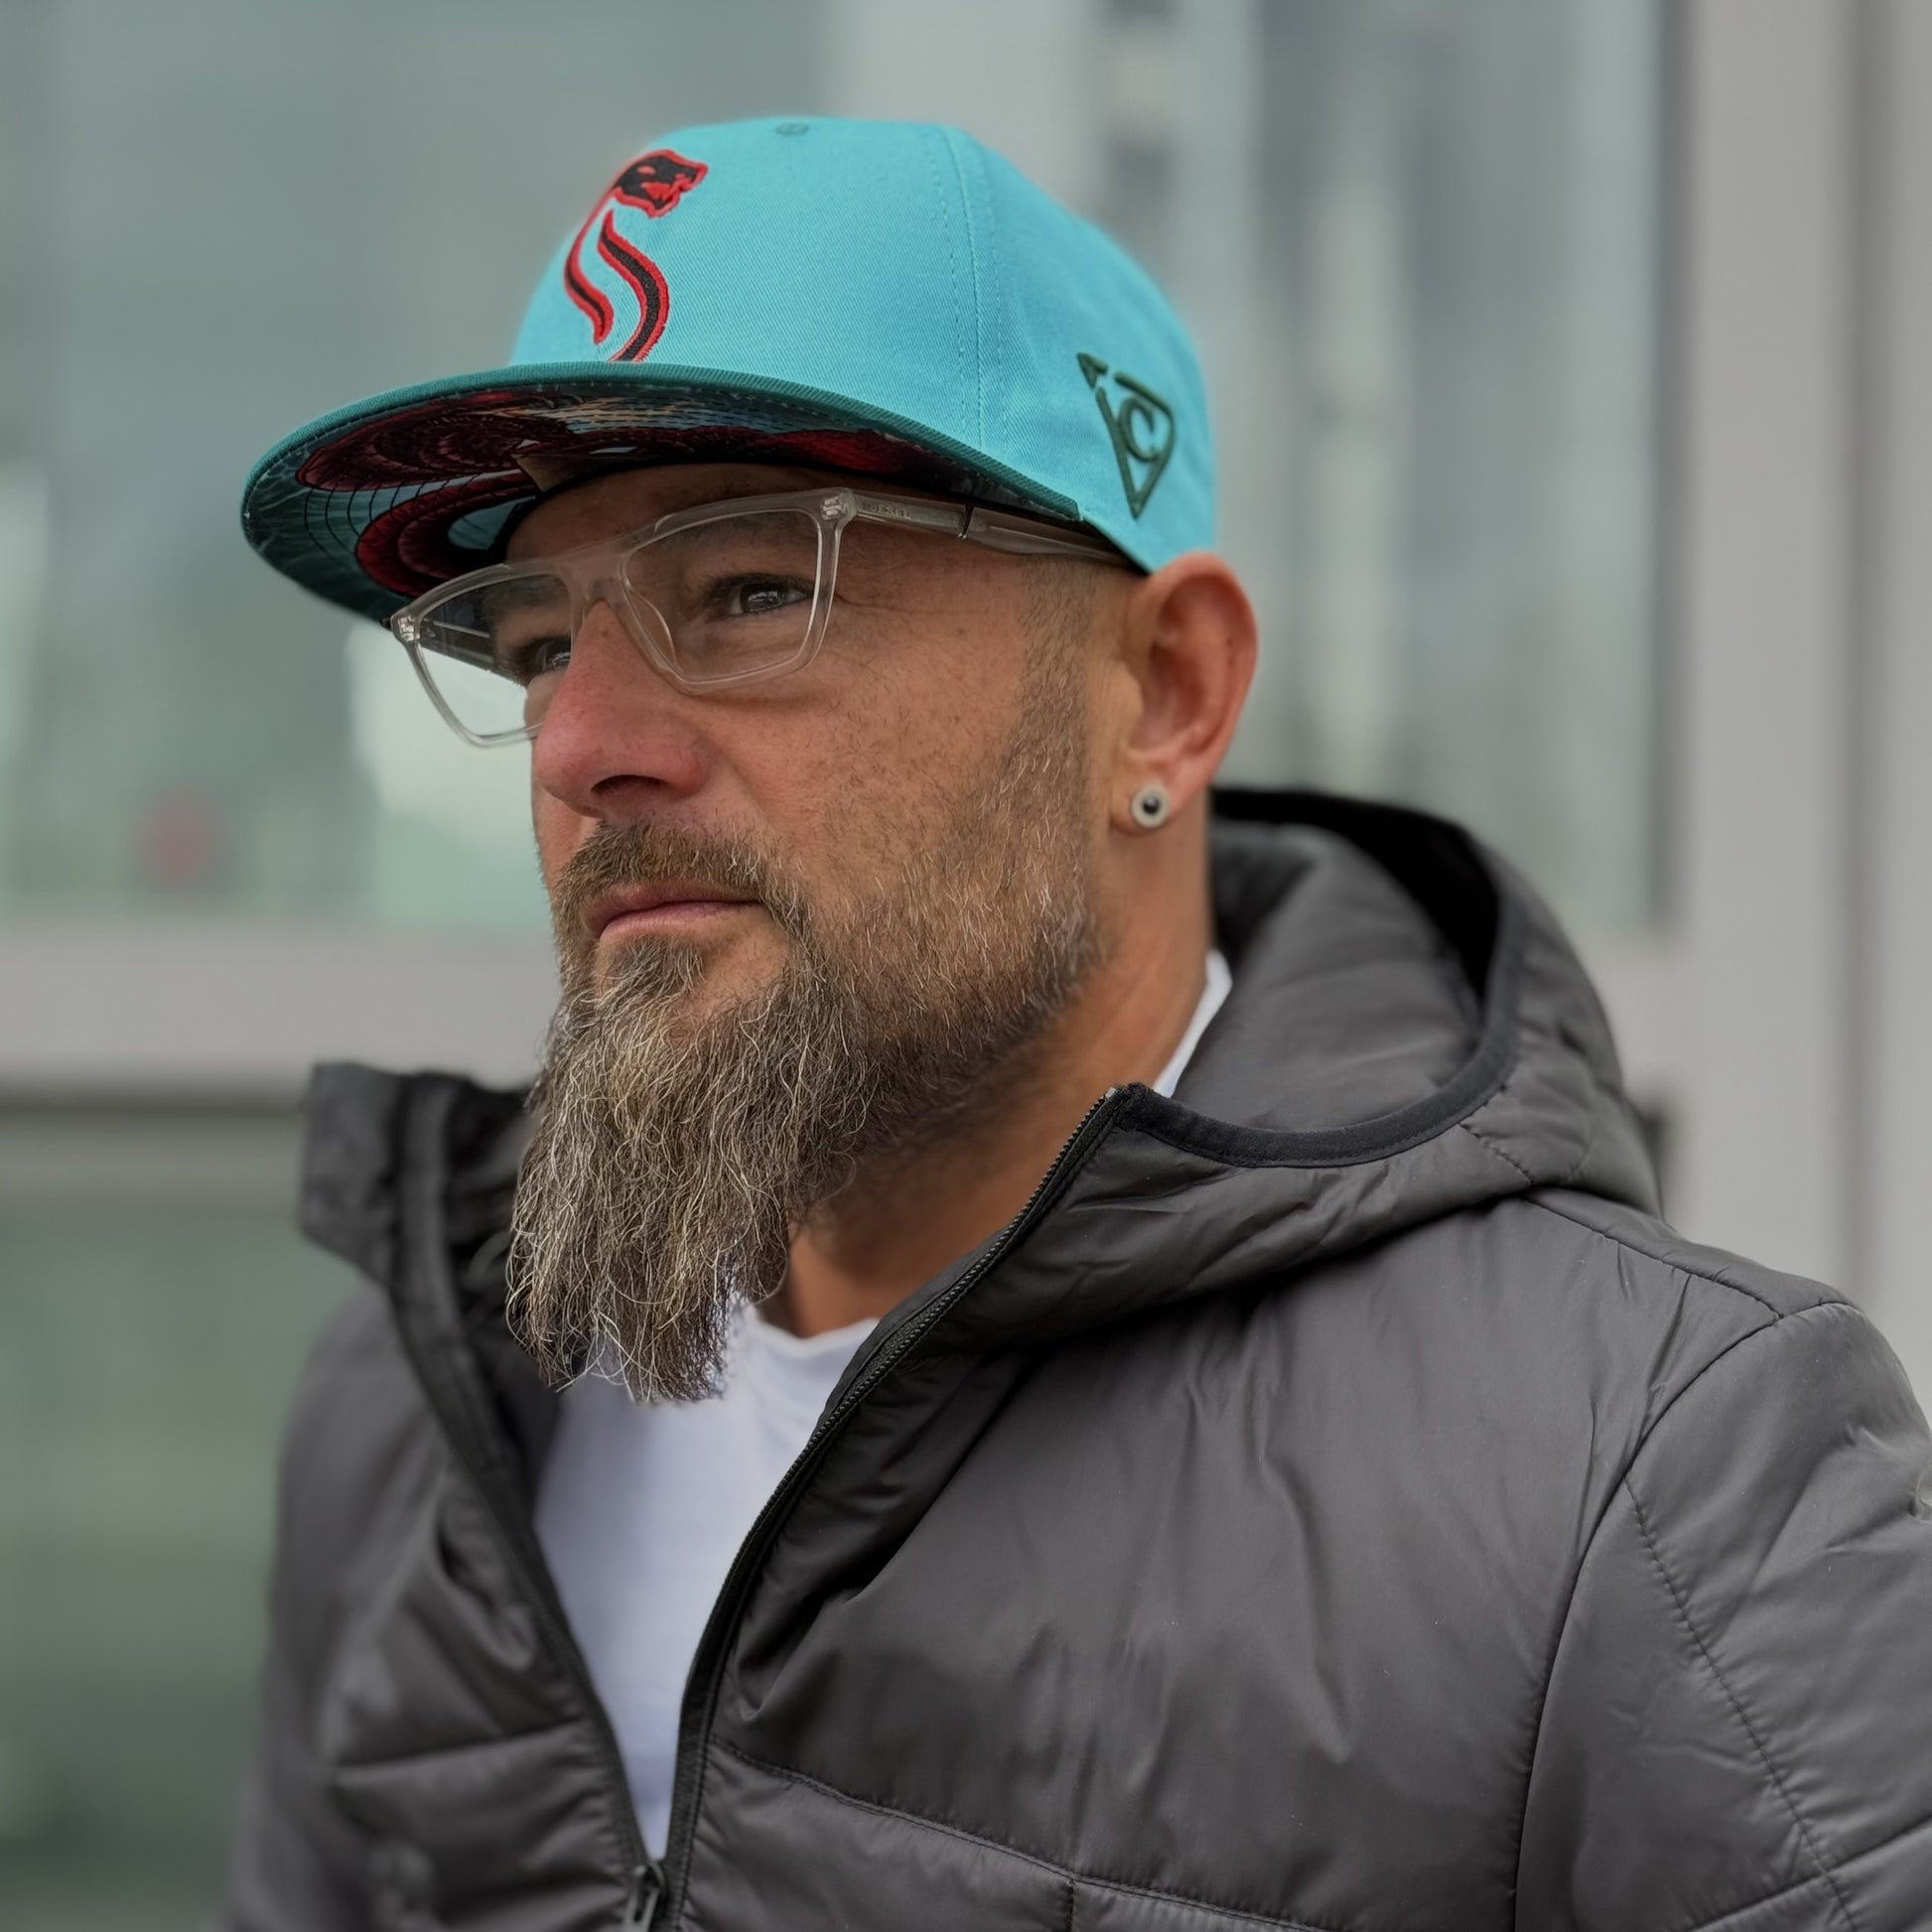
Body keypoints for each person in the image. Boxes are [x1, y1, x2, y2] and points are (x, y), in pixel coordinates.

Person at [219, 116, 1932, 1932]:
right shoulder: (429, 1396)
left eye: (749, 587)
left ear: (1164, 694)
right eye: (538, 639)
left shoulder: (1653, 1482)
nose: (578, 746)